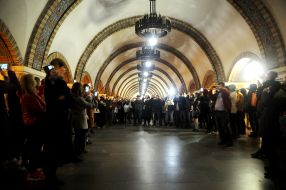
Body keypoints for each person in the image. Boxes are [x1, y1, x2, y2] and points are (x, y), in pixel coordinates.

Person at [43, 65, 73, 183]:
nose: (57, 71)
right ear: (50, 73)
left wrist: (63, 97)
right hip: (55, 120)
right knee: (53, 148)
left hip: (57, 118)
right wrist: (62, 97)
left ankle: (52, 173)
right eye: (54, 70)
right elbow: (58, 99)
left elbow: (68, 99)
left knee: (56, 148)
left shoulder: (56, 84)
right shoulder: (53, 84)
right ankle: (50, 175)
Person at [19, 74, 46, 181]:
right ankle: (32, 171)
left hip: (35, 124)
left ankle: (33, 168)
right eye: (33, 81)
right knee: (35, 148)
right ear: (30, 83)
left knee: (35, 147)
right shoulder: (28, 97)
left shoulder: (31, 95)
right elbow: (40, 109)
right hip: (33, 125)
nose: (35, 83)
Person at [71, 83, 94, 160]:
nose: (83, 90)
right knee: (80, 137)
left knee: (78, 137)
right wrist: (89, 98)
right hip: (80, 120)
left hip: (76, 119)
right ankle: (77, 154)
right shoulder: (79, 99)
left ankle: (78, 152)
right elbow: (89, 105)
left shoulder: (73, 97)